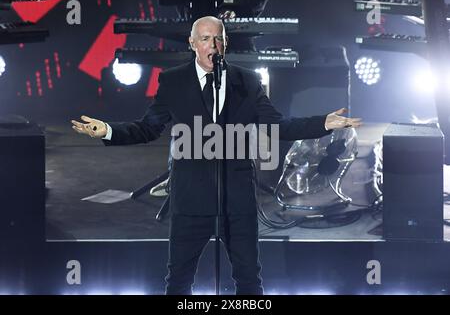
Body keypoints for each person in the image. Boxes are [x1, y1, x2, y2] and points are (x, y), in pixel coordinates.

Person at [71, 16, 362, 295]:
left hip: (236, 199)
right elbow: (148, 129)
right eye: (206, 39)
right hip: (191, 199)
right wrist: (108, 131)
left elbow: (278, 125)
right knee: (179, 280)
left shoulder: (246, 81)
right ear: (192, 44)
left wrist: (322, 123)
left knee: (249, 279)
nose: (213, 45)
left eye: (218, 38)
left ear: (226, 43)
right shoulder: (173, 81)